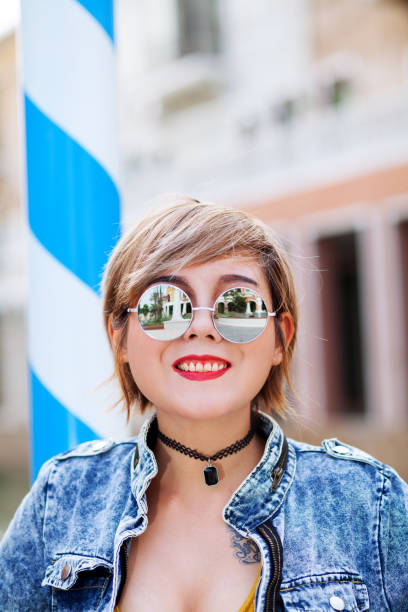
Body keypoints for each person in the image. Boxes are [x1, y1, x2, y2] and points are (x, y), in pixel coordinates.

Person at [1, 197, 407, 612]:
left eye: (237, 305)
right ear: (120, 336)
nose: (201, 327)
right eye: (165, 304)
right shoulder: (61, 499)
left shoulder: (371, 503)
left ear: (280, 339)